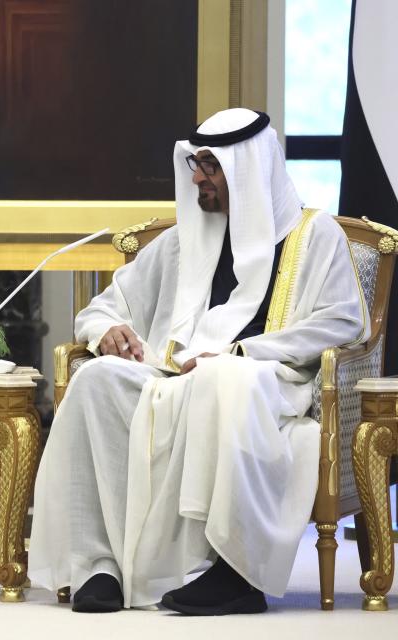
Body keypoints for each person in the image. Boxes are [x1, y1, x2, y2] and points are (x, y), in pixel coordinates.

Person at [28, 108, 368, 616]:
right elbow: (101, 308)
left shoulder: (314, 237)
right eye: (195, 164)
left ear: (247, 169)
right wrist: (107, 331)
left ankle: (233, 575)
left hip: (266, 377)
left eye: (209, 167)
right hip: (172, 373)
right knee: (97, 378)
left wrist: (242, 351)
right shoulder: (184, 239)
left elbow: (342, 323)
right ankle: (99, 566)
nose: (196, 179)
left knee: (225, 379)